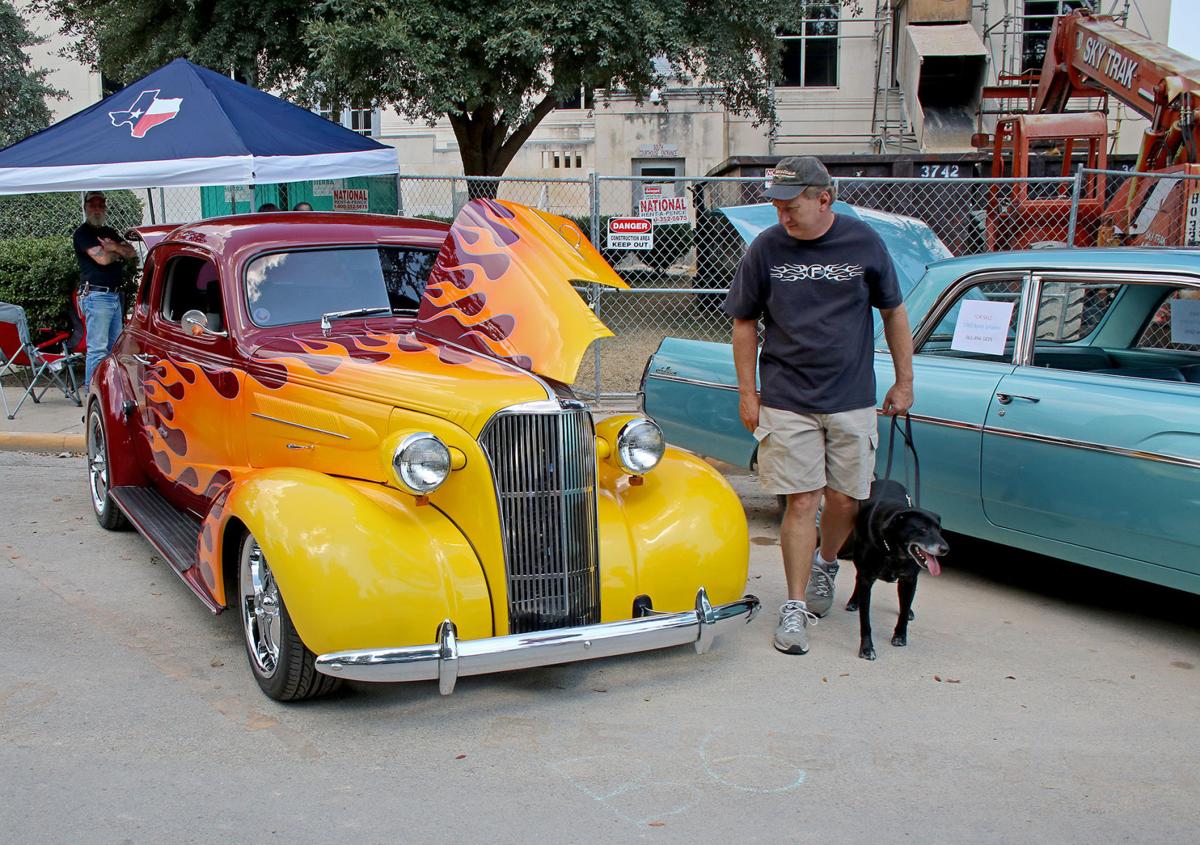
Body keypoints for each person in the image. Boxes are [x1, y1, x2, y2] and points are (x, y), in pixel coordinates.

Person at [723, 156, 913, 656]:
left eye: (791, 206)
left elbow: (893, 311)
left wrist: (904, 381)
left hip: (851, 396)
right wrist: (749, 392)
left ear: (823, 198)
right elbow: (744, 323)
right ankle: (793, 603)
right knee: (801, 499)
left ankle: (827, 564)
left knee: (845, 500)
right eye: (777, 206)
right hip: (788, 397)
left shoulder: (863, 242)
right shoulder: (766, 248)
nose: (782, 216)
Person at [73, 191, 136, 387]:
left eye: (101, 205)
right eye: (93, 205)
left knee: (114, 348)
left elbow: (131, 252)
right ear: (85, 207)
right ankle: (92, 392)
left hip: (114, 295)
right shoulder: (82, 234)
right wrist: (116, 250)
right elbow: (103, 259)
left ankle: (110, 391)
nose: (97, 209)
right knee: (97, 349)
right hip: (96, 295)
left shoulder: (109, 232)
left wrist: (113, 247)